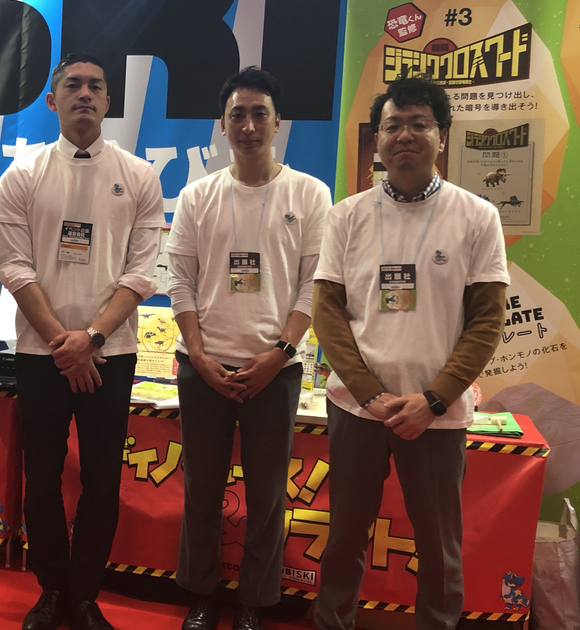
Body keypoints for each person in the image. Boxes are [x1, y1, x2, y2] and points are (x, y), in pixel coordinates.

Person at [310, 74, 509, 630]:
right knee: (344, 537)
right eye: (392, 125)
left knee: (439, 546)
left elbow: (487, 321)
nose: (404, 135)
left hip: (437, 416)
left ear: (442, 136)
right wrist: (369, 395)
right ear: (376, 139)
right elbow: (328, 314)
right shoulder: (346, 215)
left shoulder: (477, 216)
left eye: (419, 124)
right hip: (357, 410)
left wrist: (435, 399)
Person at [0, 53, 165, 630]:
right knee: (41, 476)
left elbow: (141, 273)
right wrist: (62, 345)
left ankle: (84, 594)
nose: (84, 93)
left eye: (95, 86)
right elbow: (15, 268)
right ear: (52, 100)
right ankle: (50, 589)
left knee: (101, 478)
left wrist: (90, 339)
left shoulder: (138, 176)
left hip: (110, 354)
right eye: (73, 85)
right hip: (40, 355)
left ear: (109, 101)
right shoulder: (22, 176)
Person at [166, 67, 330, 630]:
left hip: (275, 370)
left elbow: (314, 284)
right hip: (202, 368)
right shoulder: (197, 195)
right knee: (202, 489)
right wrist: (199, 355)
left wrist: (280, 352)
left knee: (266, 495)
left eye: (260, 114)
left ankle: (255, 604)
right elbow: (179, 282)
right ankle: (201, 596)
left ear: (278, 123)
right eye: (237, 114)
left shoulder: (309, 193)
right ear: (222, 125)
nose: (249, 125)